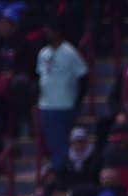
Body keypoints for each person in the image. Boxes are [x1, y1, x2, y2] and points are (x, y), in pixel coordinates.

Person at [35, 23, 87, 171]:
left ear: (57, 32)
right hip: (45, 106)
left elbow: (83, 76)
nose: (46, 34)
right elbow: (41, 76)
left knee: (60, 146)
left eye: (49, 31)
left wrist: (77, 101)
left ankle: (62, 176)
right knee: (51, 144)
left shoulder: (69, 52)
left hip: (63, 105)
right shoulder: (43, 53)